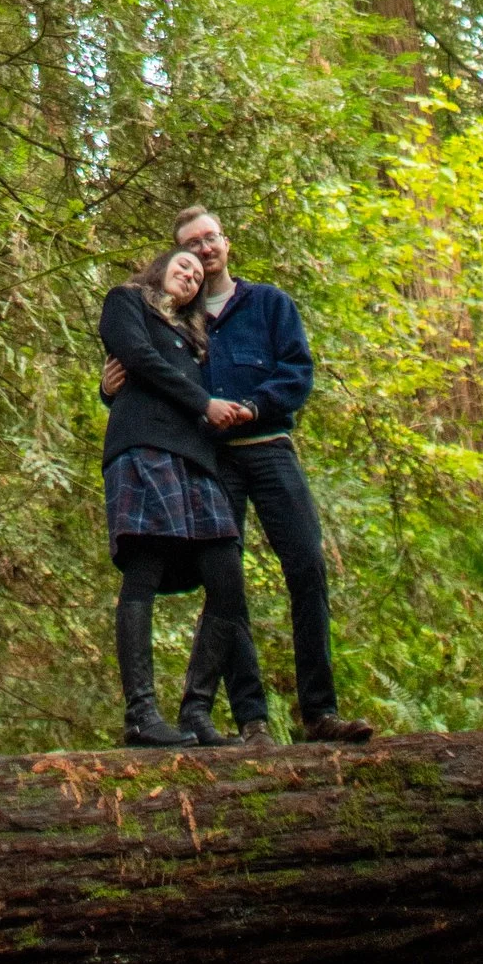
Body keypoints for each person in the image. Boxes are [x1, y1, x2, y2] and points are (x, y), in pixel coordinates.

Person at [101, 201, 372, 745]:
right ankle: (251, 721)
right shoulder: (176, 317)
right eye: (190, 247)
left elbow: (297, 373)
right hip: (206, 459)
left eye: (210, 240)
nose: (203, 253)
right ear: (171, 257)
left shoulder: (267, 304)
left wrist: (252, 404)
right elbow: (149, 373)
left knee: (306, 567)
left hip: (268, 446)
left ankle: (318, 712)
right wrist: (107, 391)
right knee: (225, 582)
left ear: (225, 242)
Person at [98, 244, 272, 750]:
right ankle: (140, 715)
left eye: (198, 276)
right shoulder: (126, 301)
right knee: (145, 565)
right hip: (145, 445)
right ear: (160, 268)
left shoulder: (197, 340)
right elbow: (137, 358)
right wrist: (201, 402)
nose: (191, 277)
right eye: (183, 267)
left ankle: (196, 712)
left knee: (227, 578)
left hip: (197, 460)